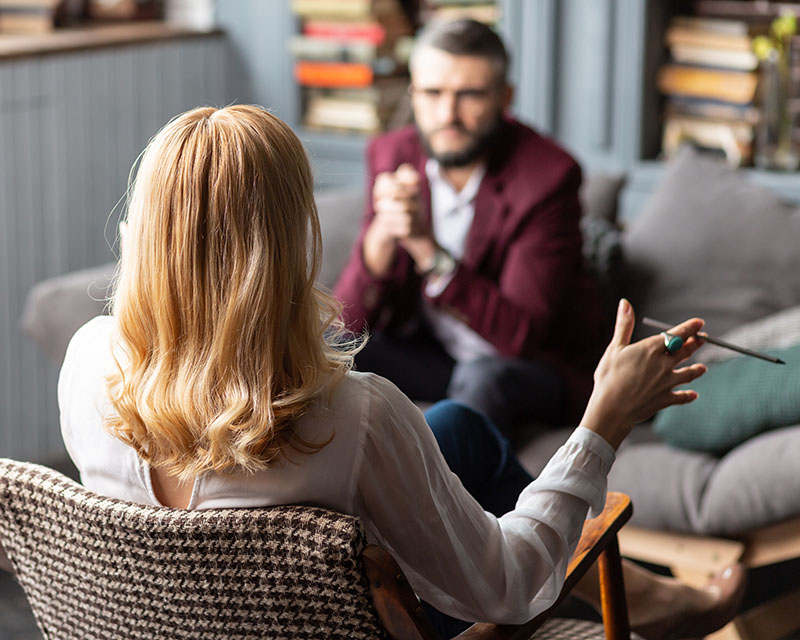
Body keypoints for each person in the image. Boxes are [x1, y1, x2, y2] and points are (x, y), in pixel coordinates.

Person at [57, 105, 744, 640]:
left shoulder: (87, 362)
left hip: (181, 617)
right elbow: (509, 587)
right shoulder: (356, 419)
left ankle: (652, 598)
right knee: (454, 442)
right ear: (290, 241)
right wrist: (603, 423)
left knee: (457, 425)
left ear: (145, 231)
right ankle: (644, 595)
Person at [335, 19, 608, 431]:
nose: (448, 115)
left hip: (527, 367)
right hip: (435, 358)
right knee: (328, 350)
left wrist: (426, 248)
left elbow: (519, 336)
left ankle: (429, 495)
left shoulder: (548, 176)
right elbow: (348, 323)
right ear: (413, 93)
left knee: (484, 380)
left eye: (470, 95)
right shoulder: (392, 154)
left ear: (505, 97)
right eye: (432, 93)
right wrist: (382, 236)